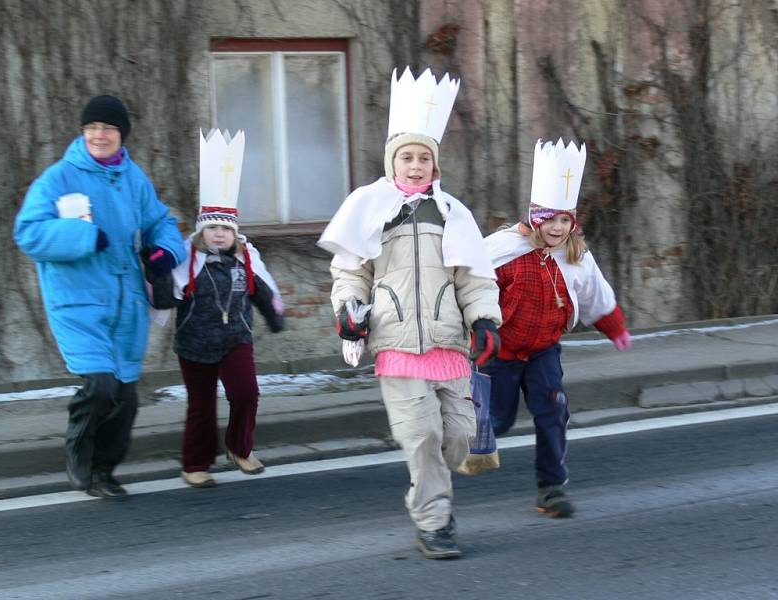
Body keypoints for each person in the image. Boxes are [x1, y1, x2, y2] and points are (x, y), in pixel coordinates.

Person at [318, 67, 501, 559]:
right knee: (422, 435)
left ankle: (434, 492)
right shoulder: (369, 208)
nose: (415, 165)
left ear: (435, 165)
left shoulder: (453, 213)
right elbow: (351, 273)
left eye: (424, 157)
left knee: (459, 435)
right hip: (396, 342)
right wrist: (348, 313)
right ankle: (434, 522)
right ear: (392, 161)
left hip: (447, 342)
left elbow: (475, 277)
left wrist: (484, 319)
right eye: (407, 157)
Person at [14, 95, 186, 499]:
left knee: (125, 397)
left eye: (108, 128)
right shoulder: (58, 178)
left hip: (126, 305)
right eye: (92, 128)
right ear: (83, 132)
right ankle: (79, 454)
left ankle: (104, 472)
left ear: (121, 134)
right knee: (101, 386)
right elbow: (29, 233)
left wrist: (165, 251)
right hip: (77, 302)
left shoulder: (132, 178)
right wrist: (84, 235)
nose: (99, 135)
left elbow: (161, 220)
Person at [483, 138, 633, 518]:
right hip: (499, 352)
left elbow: (595, 291)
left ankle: (550, 487)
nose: (557, 227)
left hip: (543, 351)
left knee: (553, 412)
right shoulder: (502, 250)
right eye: (550, 218)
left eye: (565, 219)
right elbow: (470, 284)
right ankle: (458, 440)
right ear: (535, 216)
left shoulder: (574, 257)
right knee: (496, 422)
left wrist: (613, 326)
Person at [146, 129, 284, 488]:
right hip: (194, 344)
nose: (219, 234)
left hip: (235, 338)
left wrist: (273, 314)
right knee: (201, 405)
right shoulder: (188, 260)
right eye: (213, 228)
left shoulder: (246, 259)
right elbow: (167, 297)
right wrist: (156, 271)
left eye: (226, 228)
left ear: (234, 231)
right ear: (201, 231)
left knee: (246, 393)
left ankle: (240, 447)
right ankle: (195, 462)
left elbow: (261, 289)